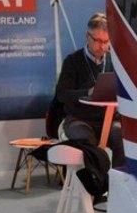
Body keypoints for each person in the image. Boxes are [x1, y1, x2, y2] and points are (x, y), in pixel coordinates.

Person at [54, 12, 125, 167]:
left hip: (109, 119)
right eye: (98, 41)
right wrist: (87, 92)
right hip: (79, 120)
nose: (103, 47)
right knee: (87, 143)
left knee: (122, 138)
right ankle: (95, 186)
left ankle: (117, 184)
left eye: (106, 42)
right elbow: (62, 95)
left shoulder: (115, 60)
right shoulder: (73, 61)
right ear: (87, 37)